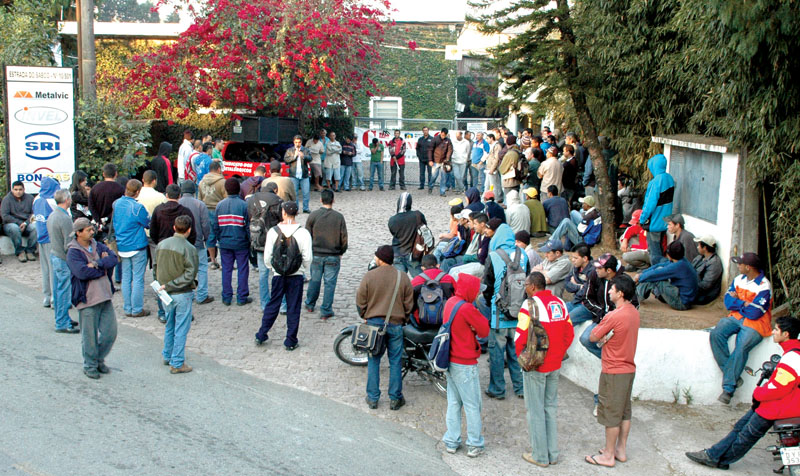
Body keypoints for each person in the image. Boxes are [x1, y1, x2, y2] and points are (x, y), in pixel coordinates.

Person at [685, 316, 800, 470]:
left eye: (776, 329)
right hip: (775, 404)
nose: (773, 332)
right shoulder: (792, 353)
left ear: (786, 334)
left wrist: (758, 393)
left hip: (777, 407)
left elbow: (778, 388)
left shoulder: (792, 357)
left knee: (746, 436)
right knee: (740, 428)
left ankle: (719, 459)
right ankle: (713, 454)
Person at [516, 272, 573, 467]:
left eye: (525, 285)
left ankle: (540, 455)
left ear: (532, 286)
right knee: (550, 408)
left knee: (535, 410)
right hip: (555, 364)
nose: (525, 288)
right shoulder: (560, 303)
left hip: (536, 364)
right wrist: (558, 353)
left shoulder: (529, 305)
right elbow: (569, 333)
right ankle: (552, 453)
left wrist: (522, 358)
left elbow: (520, 336)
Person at [584, 275, 640, 468]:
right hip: (628, 368)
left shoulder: (614, 316)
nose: (608, 291)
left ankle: (608, 455)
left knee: (611, 415)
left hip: (613, 370)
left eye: (612, 289)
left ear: (620, 293)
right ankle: (620, 450)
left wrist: (605, 335)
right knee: (624, 412)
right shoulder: (633, 312)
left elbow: (592, 336)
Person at [356, 245, 414, 410]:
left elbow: (360, 300)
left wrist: (365, 315)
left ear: (380, 259)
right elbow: (409, 303)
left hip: (374, 325)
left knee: (374, 360)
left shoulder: (370, 276)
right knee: (395, 362)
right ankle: (395, 398)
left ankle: (373, 398)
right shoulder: (402, 277)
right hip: (395, 324)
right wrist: (405, 318)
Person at [710, 252, 772, 404]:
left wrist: (739, 304)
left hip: (757, 322)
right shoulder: (739, 279)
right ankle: (732, 376)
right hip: (736, 317)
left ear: (748, 267)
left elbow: (755, 312)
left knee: (742, 346)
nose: (738, 266)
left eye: (740, 264)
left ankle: (728, 389)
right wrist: (744, 304)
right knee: (716, 334)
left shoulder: (764, 285)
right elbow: (727, 302)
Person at [441, 273, 490, 458]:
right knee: (472, 404)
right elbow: (484, 331)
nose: (478, 294)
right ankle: (474, 443)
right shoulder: (467, 308)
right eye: (477, 291)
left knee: (453, 402)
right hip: (465, 362)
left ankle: (452, 441)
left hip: (449, 360)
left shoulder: (451, 302)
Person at [480, 221, 529, 400]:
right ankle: (520, 388)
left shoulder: (493, 256)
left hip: (498, 315)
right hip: (519, 315)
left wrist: (491, 304)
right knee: (516, 352)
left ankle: (497, 389)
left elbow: (487, 286)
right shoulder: (523, 254)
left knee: (497, 354)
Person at [255, 201, 313, 350]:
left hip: (278, 274)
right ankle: (290, 339)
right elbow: (308, 257)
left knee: (273, 304)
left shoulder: (274, 232)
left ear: (283, 213)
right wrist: (302, 269)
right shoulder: (303, 232)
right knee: (294, 307)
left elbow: (268, 256)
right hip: (296, 275)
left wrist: (274, 268)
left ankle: (262, 333)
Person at [66, 218, 119, 379]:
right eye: (88, 230)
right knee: (89, 336)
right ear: (78, 232)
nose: (92, 232)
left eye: (92, 229)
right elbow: (81, 272)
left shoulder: (97, 245)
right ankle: (90, 364)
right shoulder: (73, 252)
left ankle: (98, 358)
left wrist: (96, 264)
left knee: (110, 332)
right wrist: (102, 267)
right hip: (87, 299)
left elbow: (113, 259)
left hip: (104, 295)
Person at [155, 215, 198, 374]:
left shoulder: (161, 245)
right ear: (189, 230)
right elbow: (190, 273)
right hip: (181, 292)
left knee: (170, 324)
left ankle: (167, 354)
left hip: (165, 292)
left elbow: (155, 267)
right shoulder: (189, 249)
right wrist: (172, 284)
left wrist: (160, 285)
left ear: (174, 227)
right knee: (180, 327)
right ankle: (177, 362)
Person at [304, 189, 348, 320]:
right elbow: (344, 237)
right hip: (333, 255)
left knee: (315, 280)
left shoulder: (313, 215)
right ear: (333, 200)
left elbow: (307, 235)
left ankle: (310, 304)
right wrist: (341, 251)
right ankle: (326, 310)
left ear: (320, 200)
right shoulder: (339, 217)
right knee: (330, 283)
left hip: (316, 254)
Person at [113, 179, 151, 318]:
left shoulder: (116, 203)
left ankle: (127, 307)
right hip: (136, 245)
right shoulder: (137, 207)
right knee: (138, 279)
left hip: (122, 245)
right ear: (137, 192)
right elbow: (147, 222)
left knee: (126, 277)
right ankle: (136, 309)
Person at [213, 178, 251, 306]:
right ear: (239, 189)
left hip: (225, 242)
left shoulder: (220, 205)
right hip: (241, 243)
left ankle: (227, 297)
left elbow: (216, 226)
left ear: (226, 189)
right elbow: (247, 226)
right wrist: (248, 240)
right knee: (243, 269)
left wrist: (220, 239)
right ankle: (242, 297)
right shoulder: (244, 205)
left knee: (226, 270)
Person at [46, 189, 78, 333]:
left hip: (55, 254)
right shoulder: (64, 218)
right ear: (67, 200)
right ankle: (63, 322)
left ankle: (61, 318)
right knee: (64, 291)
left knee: (58, 290)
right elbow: (69, 243)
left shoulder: (52, 215)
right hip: (62, 258)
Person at [634, 241, 698, 311]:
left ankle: (635, 296)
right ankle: (636, 292)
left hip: (682, 303)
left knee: (656, 279)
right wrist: (642, 273)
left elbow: (655, 274)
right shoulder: (681, 261)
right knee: (655, 272)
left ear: (670, 255)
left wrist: (639, 278)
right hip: (685, 299)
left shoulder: (678, 266)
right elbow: (659, 266)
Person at [179, 181, 213, 305]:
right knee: (202, 268)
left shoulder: (178, 203)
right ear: (194, 191)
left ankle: (189, 293)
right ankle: (202, 295)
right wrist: (206, 237)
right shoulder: (200, 205)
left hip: (181, 242)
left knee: (185, 268)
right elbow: (205, 224)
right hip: (198, 241)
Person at [638, 154, 675, 265]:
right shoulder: (669, 178)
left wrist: (642, 219)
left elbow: (650, 204)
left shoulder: (656, 181)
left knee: (654, 252)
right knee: (660, 249)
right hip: (665, 221)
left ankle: (659, 273)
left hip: (654, 222)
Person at [410, 254, 456, 327]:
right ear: (438, 265)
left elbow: (410, 303)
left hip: (421, 320)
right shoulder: (449, 279)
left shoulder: (415, 281)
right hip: (446, 320)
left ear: (422, 268)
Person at [33, 177, 59, 307]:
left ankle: (47, 296)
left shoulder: (36, 199)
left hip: (40, 237)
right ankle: (55, 298)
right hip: (51, 238)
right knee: (53, 269)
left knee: (45, 269)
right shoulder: (52, 202)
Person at [388, 192, 427, 277]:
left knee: (400, 281)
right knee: (420, 280)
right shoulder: (417, 215)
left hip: (397, 253)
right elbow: (425, 228)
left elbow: (393, 232)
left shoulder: (392, 220)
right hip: (414, 253)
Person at [198, 160, 226, 269]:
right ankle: (224, 262)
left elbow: (199, 199)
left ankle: (213, 261)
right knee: (222, 236)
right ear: (219, 169)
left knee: (210, 237)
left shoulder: (201, 182)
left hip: (206, 210)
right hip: (219, 211)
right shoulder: (222, 182)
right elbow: (226, 198)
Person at [449, 213, 491, 279]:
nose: (474, 226)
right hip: (477, 261)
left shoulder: (487, 237)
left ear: (482, 224)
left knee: (456, 274)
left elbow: (482, 257)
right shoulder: (480, 235)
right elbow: (479, 253)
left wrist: (477, 255)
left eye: (475, 224)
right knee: (452, 270)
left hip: (483, 265)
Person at [88, 163, 125, 238]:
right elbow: (121, 208)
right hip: (115, 225)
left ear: (103, 174)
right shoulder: (121, 189)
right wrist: (107, 218)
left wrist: (98, 220)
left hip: (98, 226)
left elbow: (91, 206)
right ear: (116, 174)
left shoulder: (95, 188)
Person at [692, 234, 723, 305]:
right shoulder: (700, 257)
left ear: (705, 248)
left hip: (704, 295)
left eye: (699, 245)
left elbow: (705, 285)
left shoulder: (714, 263)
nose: (697, 247)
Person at [285, 135, 312, 213]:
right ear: (294, 142)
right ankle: (295, 209)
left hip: (304, 175)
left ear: (301, 142)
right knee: (294, 194)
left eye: (299, 142)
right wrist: (294, 156)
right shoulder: (290, 150)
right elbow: (286, 160)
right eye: (296, 142)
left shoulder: (306, 150)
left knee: (306, 193)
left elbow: (310, 158)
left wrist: (304, 156)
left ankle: (306, 208)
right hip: (294, 175)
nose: (297, 144)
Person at [428, 128, 453, 196]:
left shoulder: (448, 140)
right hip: (435, 161)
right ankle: (430, 187)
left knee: (444, 177)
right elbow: (430, 149)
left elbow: (450, 150)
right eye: (442, 135)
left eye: (444, 135)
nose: (443, 136)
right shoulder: (435, 139)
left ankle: (442, 192)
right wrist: (430, 160)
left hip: (444, 162)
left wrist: (447, 159)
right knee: (434, 176)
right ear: (440, 133)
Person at [484, 133, 504, 203]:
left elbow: (496, 158)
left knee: (494, 185)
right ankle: (485, 197)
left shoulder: (497, 146)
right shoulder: (492, 145)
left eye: (487, 138)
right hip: (489, 168)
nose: (486, 140)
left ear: (491, 138)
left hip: (493, 168)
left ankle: (496, 198)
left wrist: (492, 169)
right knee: (487, 184)